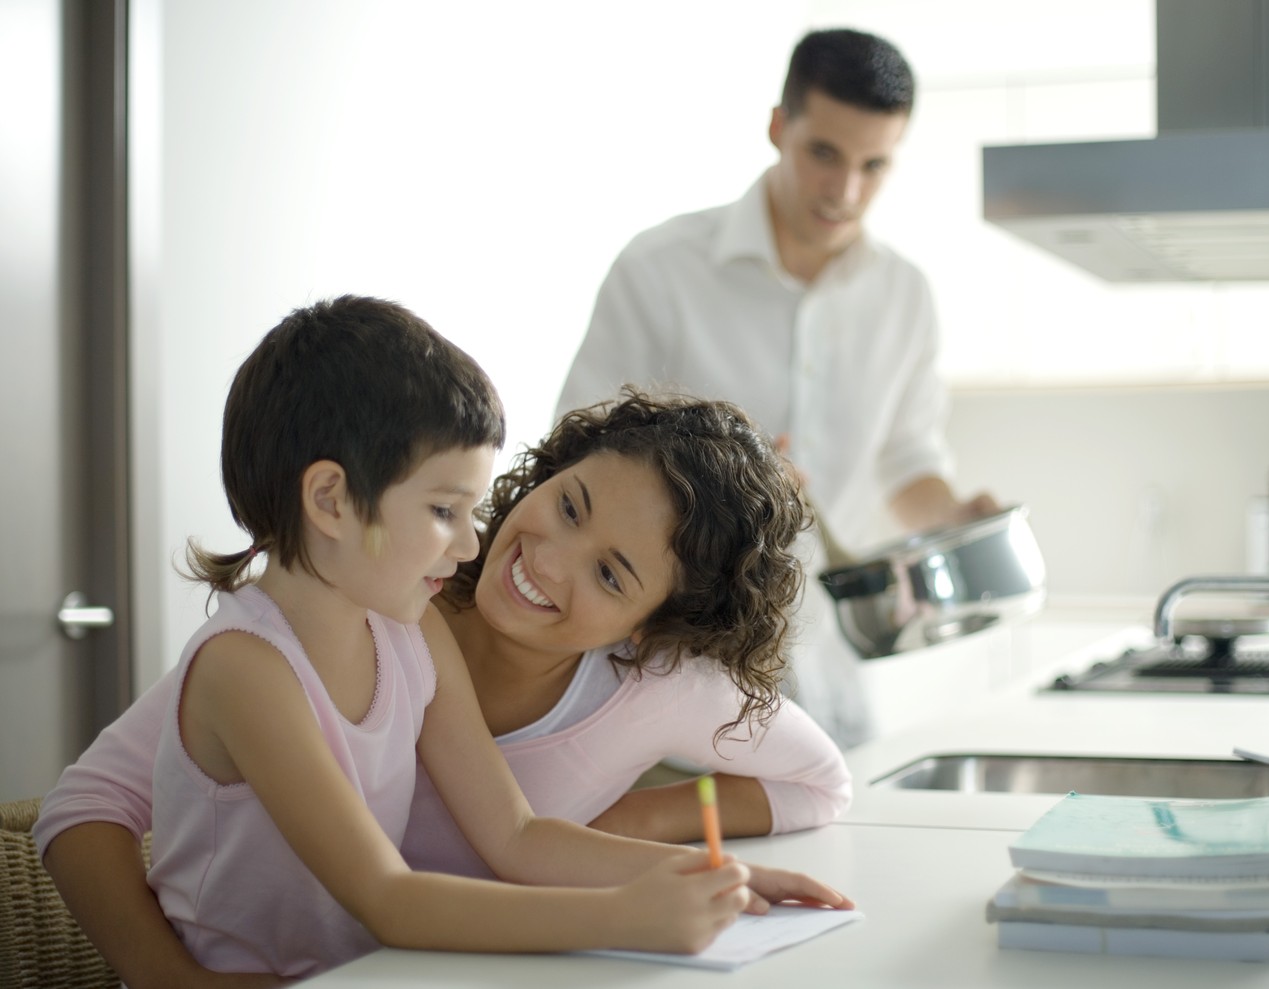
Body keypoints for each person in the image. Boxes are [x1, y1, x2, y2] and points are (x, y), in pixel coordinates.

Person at [37, 296, 850, 984]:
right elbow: (387, 895)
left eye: (611, 574)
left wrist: (711, 875)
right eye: (443, 512)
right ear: (330, 500)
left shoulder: (410, 628)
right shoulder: (247, 670)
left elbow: (518, 836)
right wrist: (623, 915)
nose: (471, 546)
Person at [556, 27, 999, 749]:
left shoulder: (905, 297)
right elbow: (580, 451)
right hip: (670, 670)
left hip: (827, 668)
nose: (845, 191)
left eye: (873, 165)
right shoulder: (661, 269)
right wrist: (724, 482)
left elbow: (905, 460)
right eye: (824, 154)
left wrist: (954, 513)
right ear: (777, 128)